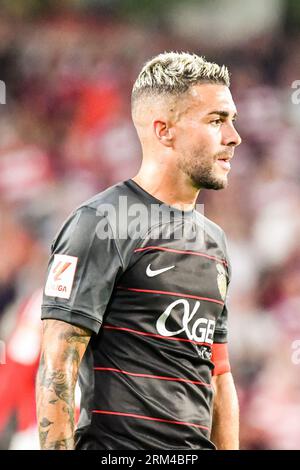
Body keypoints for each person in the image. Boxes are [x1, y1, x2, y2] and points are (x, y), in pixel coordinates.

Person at [36, 51, 242, 450]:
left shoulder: (214, 241)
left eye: (232, 121)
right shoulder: (101, 222)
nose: (234, 136)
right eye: (217, 120)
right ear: (164, 131)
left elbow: (218, 375)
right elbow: (57, 365)